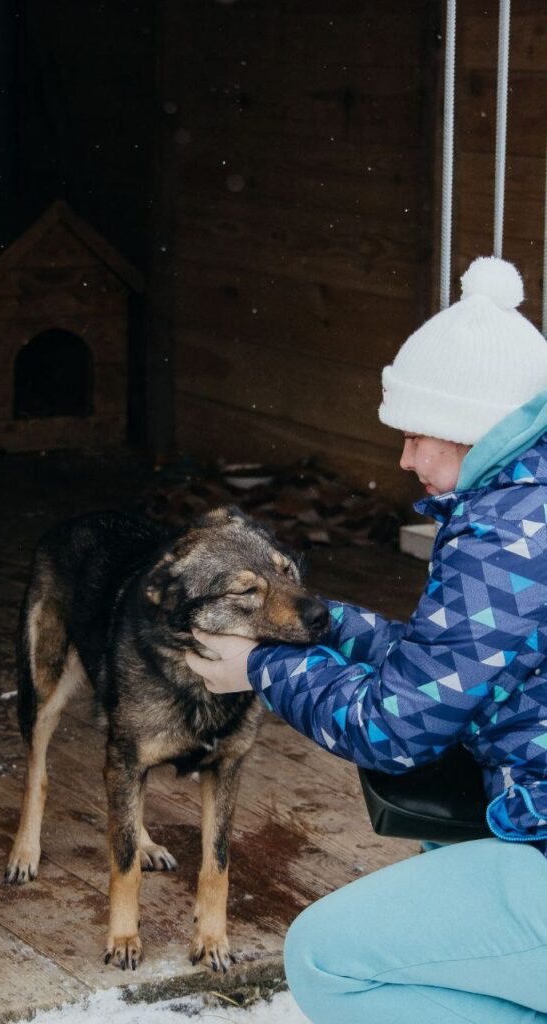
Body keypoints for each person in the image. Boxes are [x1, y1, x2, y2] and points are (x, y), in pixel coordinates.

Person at [186, 256, 547, 1024]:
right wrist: (328, 624)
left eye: (420, 434)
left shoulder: (508, 533)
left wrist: (261, 667)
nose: (406, 458)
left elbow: (396, 727)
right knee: (447, 861)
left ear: (474, 426)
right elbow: (459, 663)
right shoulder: (529, 504)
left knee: (328, 959)